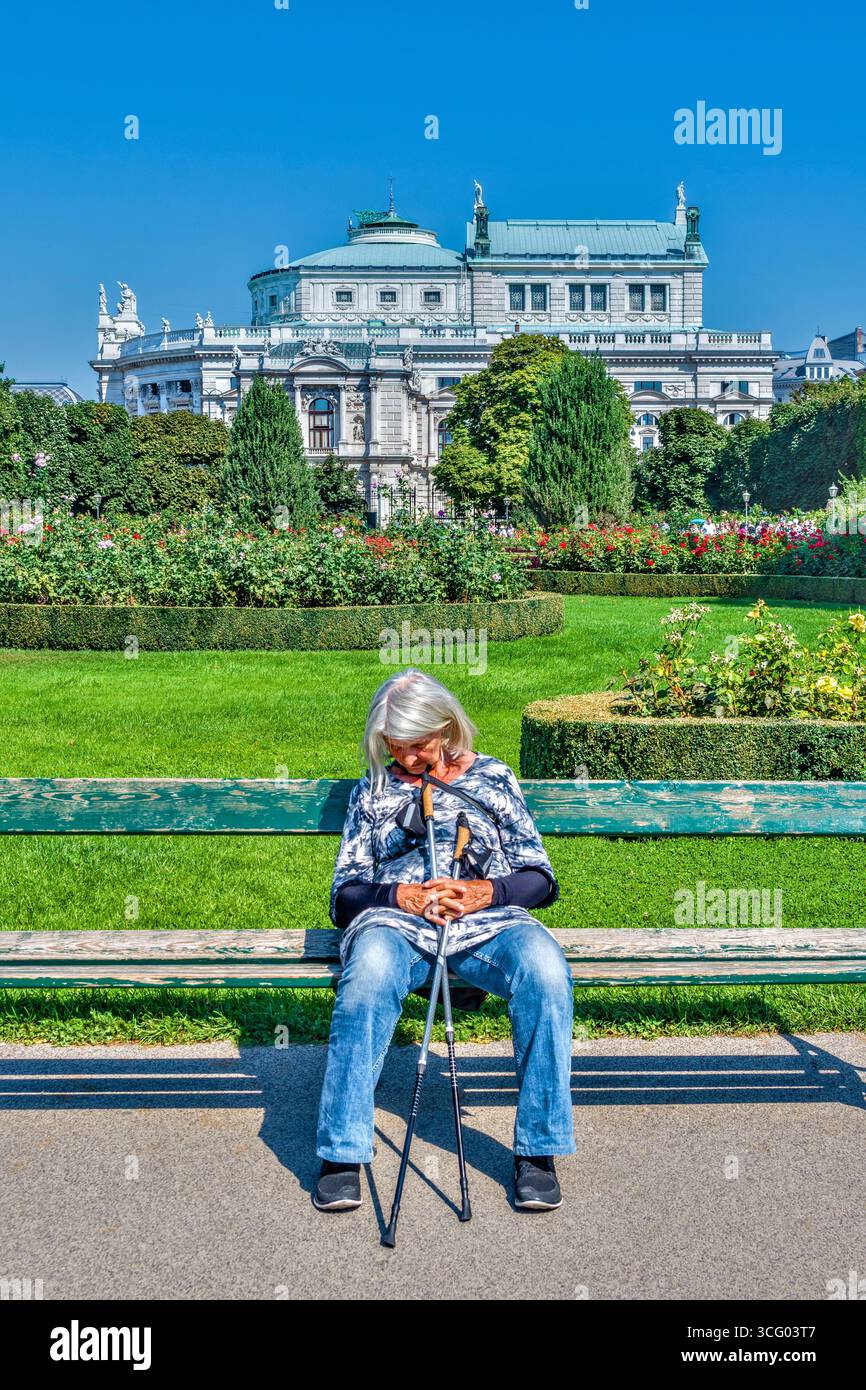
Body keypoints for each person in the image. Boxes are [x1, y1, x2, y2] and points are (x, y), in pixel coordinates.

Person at [313, 668, 576, 1214]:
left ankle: (538, 1151)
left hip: (489, 921)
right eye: (396, 746)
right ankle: (341, 1152)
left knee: (546, 972)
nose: (408, 758)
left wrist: (486, 891)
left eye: (419, 744)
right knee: (366, 981)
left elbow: (540, 879)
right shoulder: (375, 791)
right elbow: (345, 897)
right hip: (396, 925)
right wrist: (400, 896)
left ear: (446, 726)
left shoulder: (494, 779)